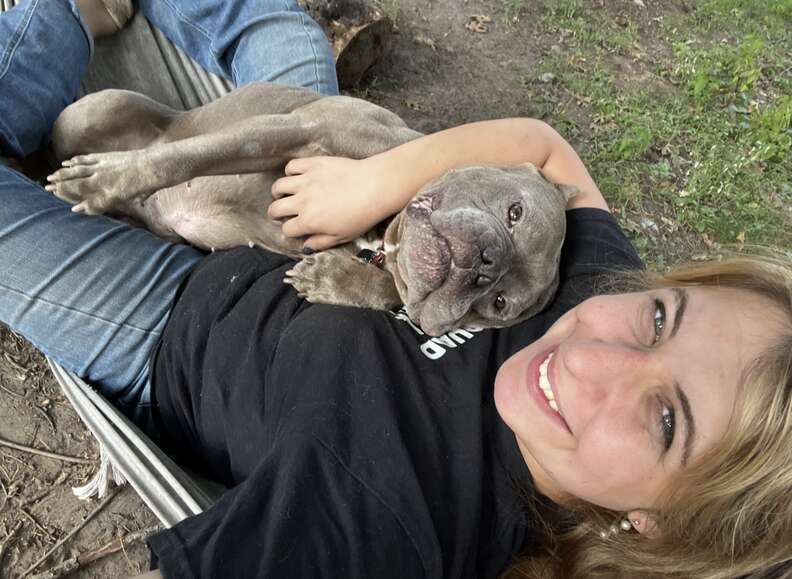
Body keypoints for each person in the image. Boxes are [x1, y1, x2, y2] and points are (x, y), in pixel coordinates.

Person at [1, 2, 790, 579]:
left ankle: (63, 19)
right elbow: (543, 148)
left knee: (62, 73)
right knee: (282, 32)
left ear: (650, 527)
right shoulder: (590, 284)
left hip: (169, 316)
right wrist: (372, 181)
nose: (598, 349)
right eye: (659, 313)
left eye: (663, 419)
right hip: (327, 178)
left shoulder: (406, 519)